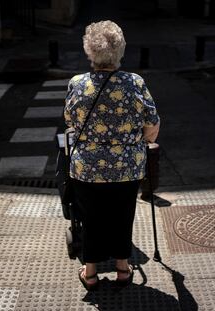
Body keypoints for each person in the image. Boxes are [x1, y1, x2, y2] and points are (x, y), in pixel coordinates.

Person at [64, 20, 160, 291]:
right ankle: (122, 269)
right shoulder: (135, 83)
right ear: (119, 51)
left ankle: (91, 274)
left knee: (90, 217)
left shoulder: (77, 83)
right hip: (127, 167)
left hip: (87, 167)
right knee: (122, 215)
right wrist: (139, 140)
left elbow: (70, 120)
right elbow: (152, 125)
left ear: (89, 51)